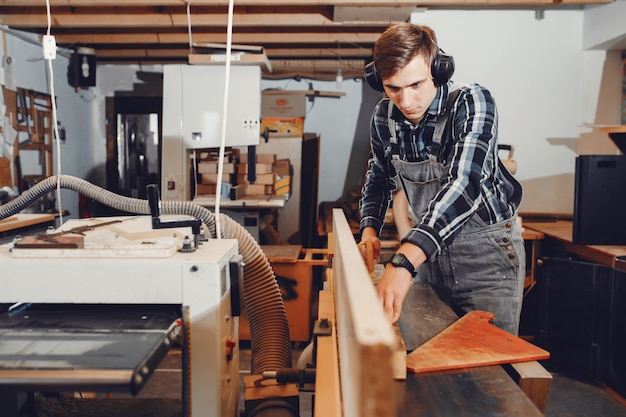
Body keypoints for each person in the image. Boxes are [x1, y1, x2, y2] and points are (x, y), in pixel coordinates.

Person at [358, 23, 525, 342]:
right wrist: (369, 232)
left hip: (486, 260)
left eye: (416, 84)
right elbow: (379, 177)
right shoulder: (384, 117)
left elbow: (464, 184)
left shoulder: (472, 102)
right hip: (430, 257)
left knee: (490, 371)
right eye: (393, 88)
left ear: (438, 69)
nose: (406, 101)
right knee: (432, 361)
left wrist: (405, 261)